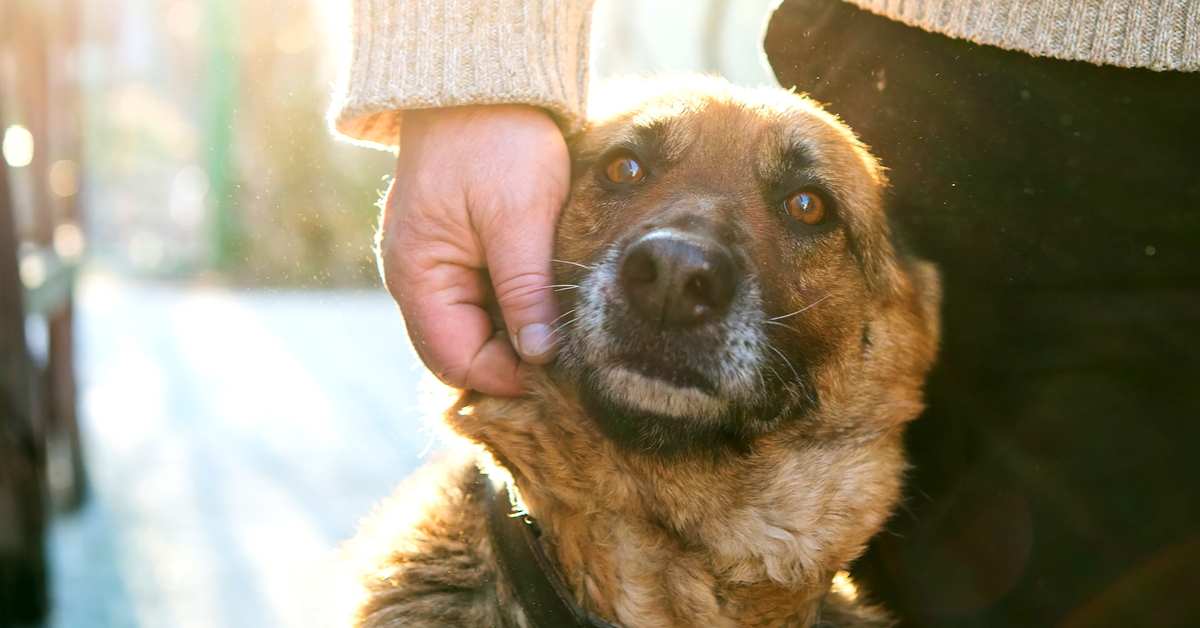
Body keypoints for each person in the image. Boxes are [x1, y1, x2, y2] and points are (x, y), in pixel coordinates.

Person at [328, 1, 1200, 625]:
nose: (678, 260)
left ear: (904, 328)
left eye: (806, 209)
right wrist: (472, 70)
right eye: (625, 172)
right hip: (928, 75)